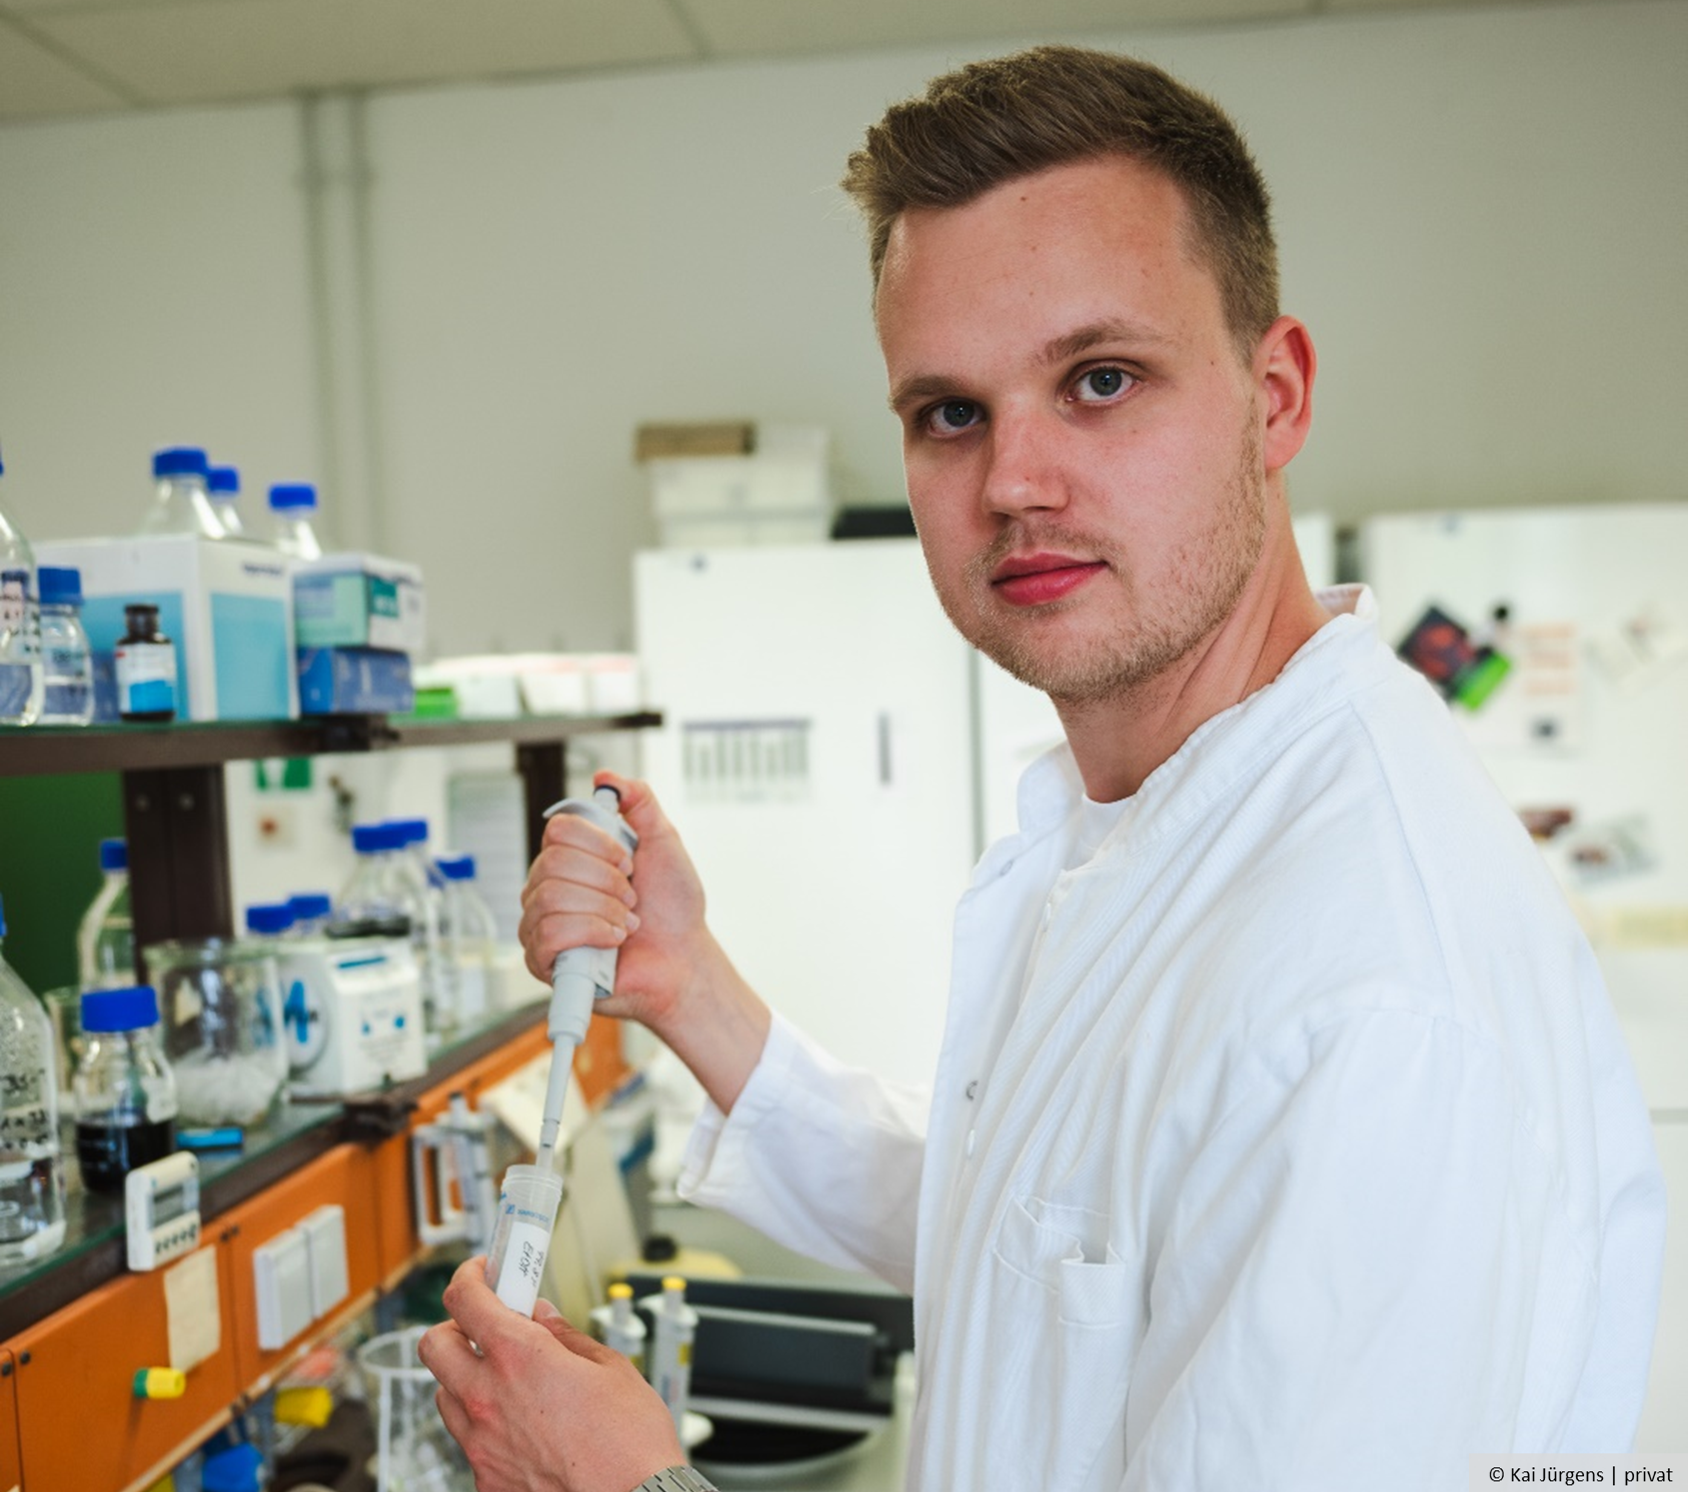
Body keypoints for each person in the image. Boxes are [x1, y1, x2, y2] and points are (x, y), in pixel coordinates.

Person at [419, 45, 1666, 1492]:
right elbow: (1047, 1241)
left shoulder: (1370, 1002)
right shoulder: (1162, 822)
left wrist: (633, 1488)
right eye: (949, 411)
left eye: (1101, 379)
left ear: (1276, 398)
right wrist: (693, 997)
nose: (1013, 480)